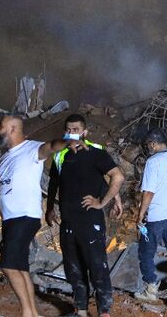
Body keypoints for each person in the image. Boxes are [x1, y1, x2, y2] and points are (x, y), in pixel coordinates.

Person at [0, 115, 59, 317]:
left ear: (12, 129)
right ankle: (32, 313)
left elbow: (51, 146)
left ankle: (27, 314)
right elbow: (0, 189)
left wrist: (69, 140)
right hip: (11, 219)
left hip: (25, 216)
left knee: (8, 264)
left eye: (0, 126)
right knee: (20, 267)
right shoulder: (6, 158)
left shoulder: (31, 149)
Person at [45, 114, 125, 317]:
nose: (72, 133)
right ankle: (80, 310)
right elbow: (55, 182)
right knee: (74, 269)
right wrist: (50, 208)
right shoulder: (60, 155)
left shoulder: (95, 152)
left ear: (85, 132)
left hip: (90, 220)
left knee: (97, 266)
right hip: (68, 220)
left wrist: (103, 202)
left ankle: (104, 312)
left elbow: (117, 176)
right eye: (69, 129)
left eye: (76, 129)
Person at [134, 127, 167, 307]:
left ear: (153, 144)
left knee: (146, 253)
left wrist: (141, 214)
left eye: (149, 144)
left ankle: (151, 291)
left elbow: (149, 191)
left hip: (157, 218)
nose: (148, 147)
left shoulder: (153, 162)